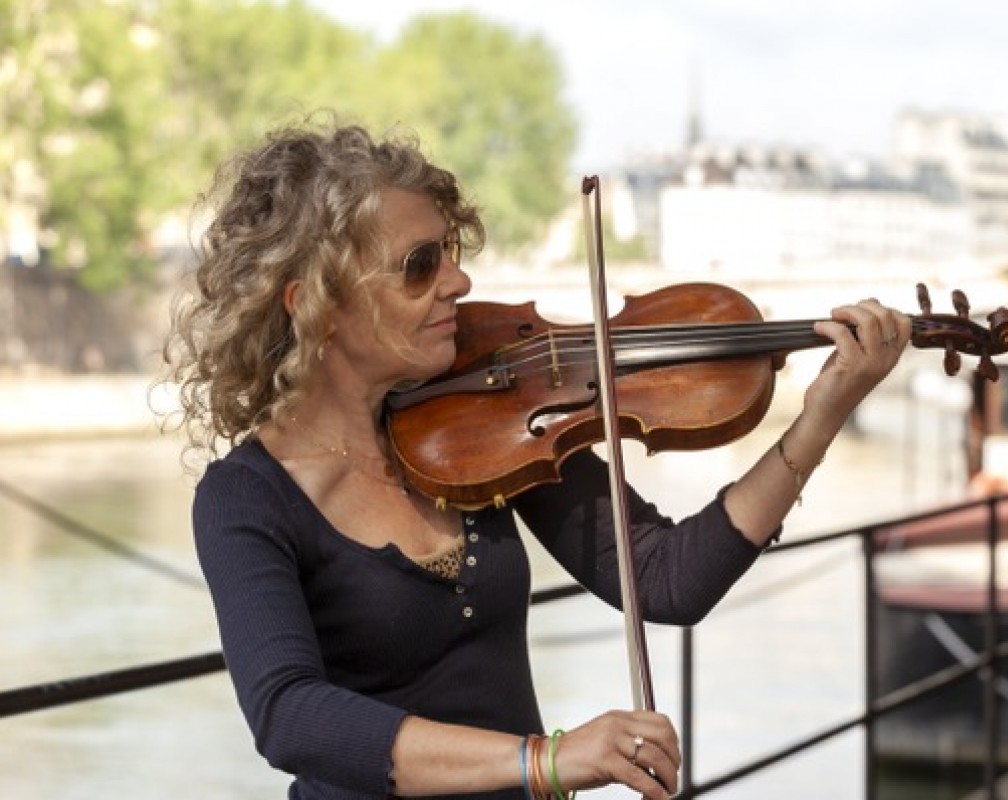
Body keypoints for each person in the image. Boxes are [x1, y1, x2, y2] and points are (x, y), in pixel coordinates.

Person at [161, 118, 911, 800]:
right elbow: (290, 716)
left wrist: (821, 417)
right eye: (420, 265)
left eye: (450, 255)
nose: (458, 281)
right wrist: (543, 761)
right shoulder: (248, 498)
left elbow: (666, 578)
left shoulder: (478, 422)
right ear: (313, 302)